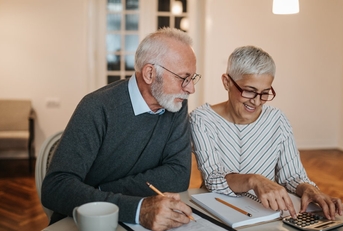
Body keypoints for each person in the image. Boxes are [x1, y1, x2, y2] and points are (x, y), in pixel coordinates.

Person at [41, 27, 201, 231]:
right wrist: (137, 208)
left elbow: (178, 175)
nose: (190, 89)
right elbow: (56, 188)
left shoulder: (175, 104)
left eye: (193, 78)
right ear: (150, 73)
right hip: (87, 223)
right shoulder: (97, 107)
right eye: (183, 78)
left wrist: (100, 192)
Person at [190, 45, 342, 221]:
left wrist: (309, 189)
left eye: (264, 93)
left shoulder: (277, 120)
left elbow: (292, 176)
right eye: (249, 91)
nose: (256, 102)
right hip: (217, 212)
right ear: (227, 82)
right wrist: (254, 180)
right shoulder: (202, 119)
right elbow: (213, 178)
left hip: (267, 213)